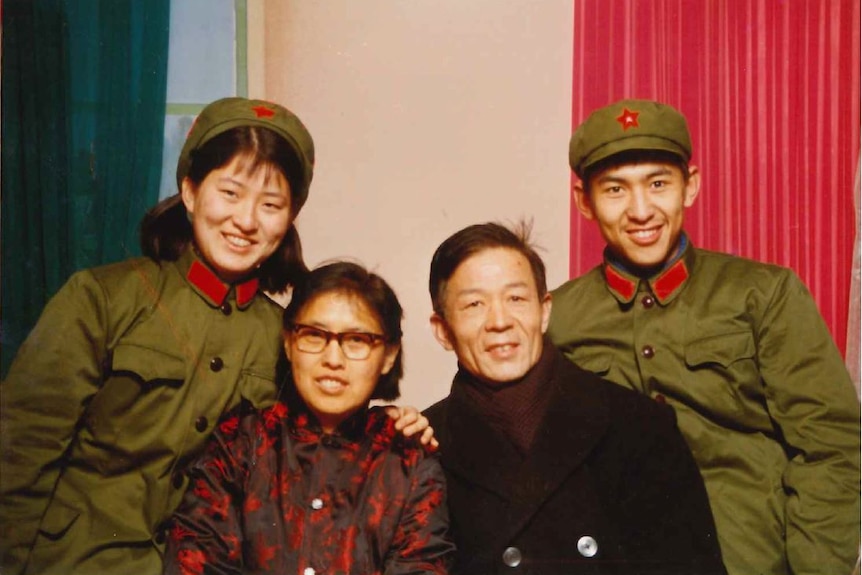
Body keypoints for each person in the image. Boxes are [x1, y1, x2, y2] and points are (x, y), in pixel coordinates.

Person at [0, 97, 433, 575]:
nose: (246, 221)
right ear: (189, 192)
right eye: (229, 193)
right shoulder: (102, 299)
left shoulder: (284, 334)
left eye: (270, 205)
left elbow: (317, 444)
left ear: (289, 218)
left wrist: (391, 423)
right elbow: (18, 460)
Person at [548, 98, 862, 575]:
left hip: (748, 560)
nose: (640, 210)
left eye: (658, 184)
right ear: (583, 201)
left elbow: (833, 447)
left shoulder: (764, 294)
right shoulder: (557, 316)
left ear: (689, 187)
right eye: (615, 189)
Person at [424, 222, 726, 575]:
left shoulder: (639, 425)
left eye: (516, 298)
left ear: (545, 311)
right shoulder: (422, 446)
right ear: (443, 330)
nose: (500, 321)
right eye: (474, 304)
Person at [164, 261, 455, 575]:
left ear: (388, 355)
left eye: (357, 340)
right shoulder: (238, 444)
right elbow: (195, 562)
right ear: (289, 342)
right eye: (314, 335)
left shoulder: (409, 461)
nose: (332, 359)